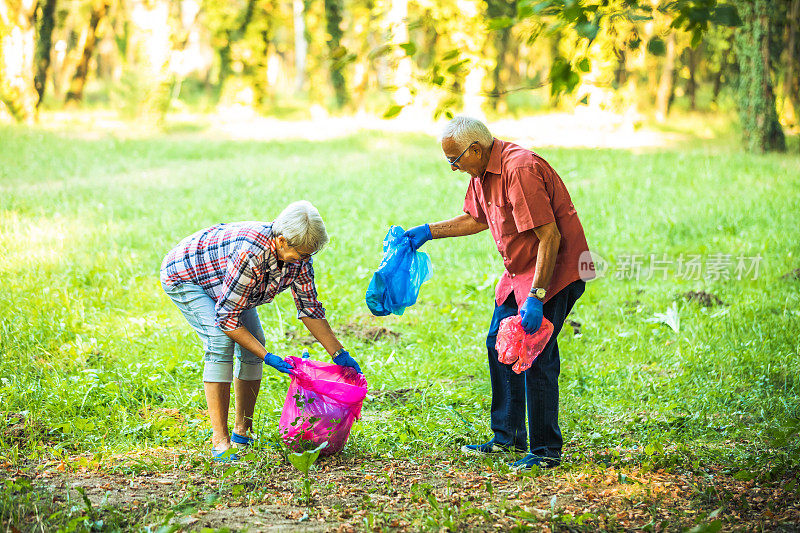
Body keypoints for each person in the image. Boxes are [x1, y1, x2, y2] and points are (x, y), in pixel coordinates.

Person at [402, 116, 594, 470]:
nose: (453, 168)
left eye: (454, 159)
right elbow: (477, 219)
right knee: (498, 342)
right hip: (519, 271)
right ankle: (508, 438)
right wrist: (427, 231)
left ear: (475, 149)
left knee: (534, 353)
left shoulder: (519, 169)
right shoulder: (481, 173)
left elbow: (550, 237)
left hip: (554, 269)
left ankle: (546, 451)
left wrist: (537, 295)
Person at [160, 200, 361, 461]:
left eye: (310, 255)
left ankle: (243, 431)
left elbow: (309, 308)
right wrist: (267, 356)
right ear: (280, 241)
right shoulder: (251, 254)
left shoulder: (299, 258)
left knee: (253, 346)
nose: (305, 260)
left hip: (229, 282)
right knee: (221, 341)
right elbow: (227, 318)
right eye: (301, 254)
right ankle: (220, 441)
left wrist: (339, 354)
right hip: (188, 275)